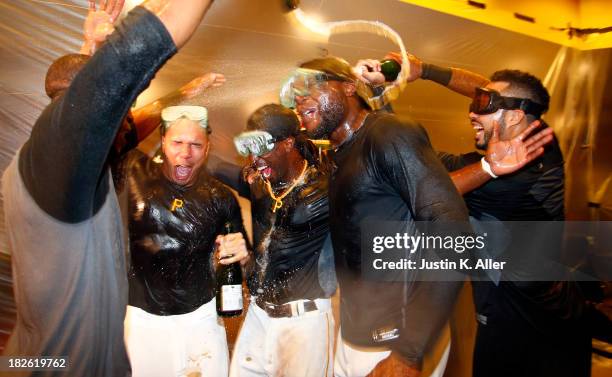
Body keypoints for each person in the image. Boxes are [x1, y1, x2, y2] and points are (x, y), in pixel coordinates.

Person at [1, 0, 216, 375]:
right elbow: (137, 49)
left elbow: (81, 109)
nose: (127, 120)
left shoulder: (50, 168)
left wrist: (90, 49)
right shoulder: (55, 160)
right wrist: (105, 55)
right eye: (119, 112)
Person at [374, 53, 591, 377]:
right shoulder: (499, 152)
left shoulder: (534, 160)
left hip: (543, 327)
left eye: (484, 104)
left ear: (517, 117)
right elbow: (416, 159)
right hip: (500, 315)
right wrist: (419, 73)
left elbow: (423, 184)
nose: (472, 112)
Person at [281, 56, 471, 377]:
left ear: (349, 87)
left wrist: (409, 352)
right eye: (294, 94)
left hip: (396, 341)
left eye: (310, 86)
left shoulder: (389, 134)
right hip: (357, 336)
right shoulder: (340, 152)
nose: (299, 100)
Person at [209, 103, 336, 377]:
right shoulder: (258, 183)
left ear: (288, 143)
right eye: (250, 149)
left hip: (303, 324)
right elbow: (214, 166)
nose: (255, 159)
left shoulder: (326, 190)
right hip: (258, 313)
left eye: (262, 149)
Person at [125, 105, 249, 377]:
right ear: (162, 141)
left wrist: (243, 254)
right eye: (177, 142)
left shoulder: (220, 197)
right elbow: (113, 133)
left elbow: (245, 263)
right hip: (142, 320)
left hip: (200, 319)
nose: (185, 153)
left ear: (206, 149)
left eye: (195, 144)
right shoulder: (133, 173)